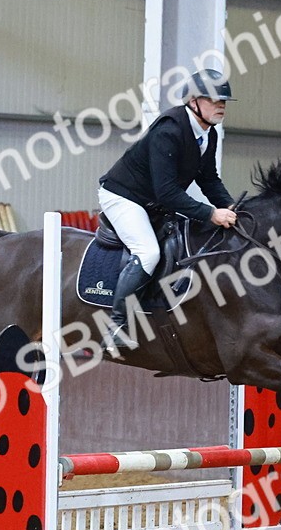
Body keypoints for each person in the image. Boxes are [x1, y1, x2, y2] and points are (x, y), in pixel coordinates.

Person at [97, 68, 239, 350]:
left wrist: (229, 205)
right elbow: (168, 191)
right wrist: (211, 214)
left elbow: (208, 179)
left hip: (154, 201)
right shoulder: (169, 130)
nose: (221, 105)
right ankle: (115, 327)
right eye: (214, 100)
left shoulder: (208, 135)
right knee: (148, 252)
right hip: (123, 197)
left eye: (224, 101)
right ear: (194, 101)